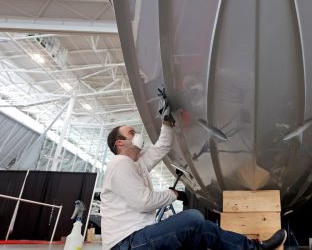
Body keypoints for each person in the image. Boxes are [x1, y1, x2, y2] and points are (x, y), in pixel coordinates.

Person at [101, 93, 287, 250]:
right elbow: (143, 202)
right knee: (192, 218)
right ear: (119, 143)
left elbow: (162, 146)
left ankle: (255, 247)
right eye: (132, 133)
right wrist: (172, 194)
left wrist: (166, 120)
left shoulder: (137, 163)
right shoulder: (120, 164)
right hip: (126, 243)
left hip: (138, 238)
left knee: (202, 228)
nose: (137, 135)